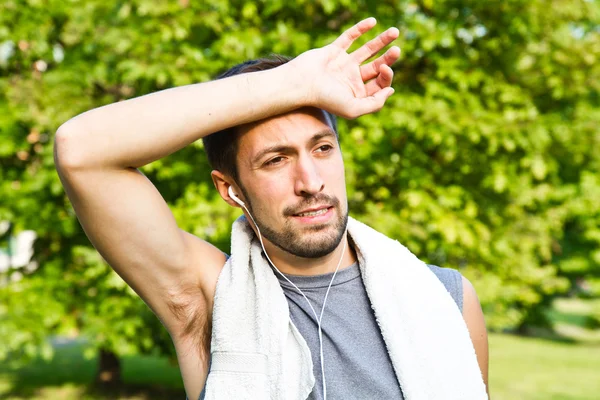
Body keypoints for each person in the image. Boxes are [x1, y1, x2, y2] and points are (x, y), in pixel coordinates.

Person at [54, 17, 489, 400]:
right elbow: (81, 151)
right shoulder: (208, 299)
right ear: (230, 189)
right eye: (275, 160)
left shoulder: (448, 298)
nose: (311, 182)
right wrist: (292, 84)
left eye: (322, 149)